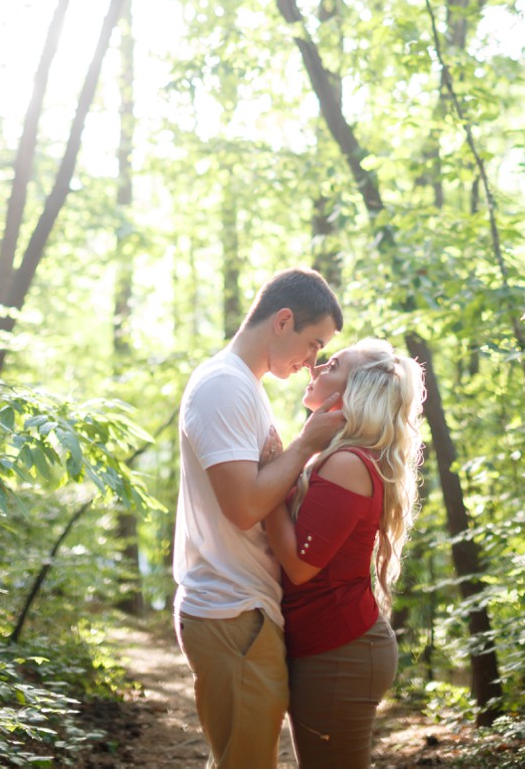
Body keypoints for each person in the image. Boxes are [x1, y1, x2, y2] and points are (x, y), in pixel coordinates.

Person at [173, 267, 345, 770]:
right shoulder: (223, 386)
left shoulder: (245, 386)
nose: (312, 362)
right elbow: (245, 505)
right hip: (231, 609)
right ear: (283, 320)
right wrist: (308, 442)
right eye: (313, 344)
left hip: (242, 608)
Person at [263, 338, 425, 769]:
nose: (315, 368)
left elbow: (299, 566)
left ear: (354, 392)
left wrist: (268, 483)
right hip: (330, 645)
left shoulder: (349, 463)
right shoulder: (339, 458)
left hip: (340, 650)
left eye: (332, 365)